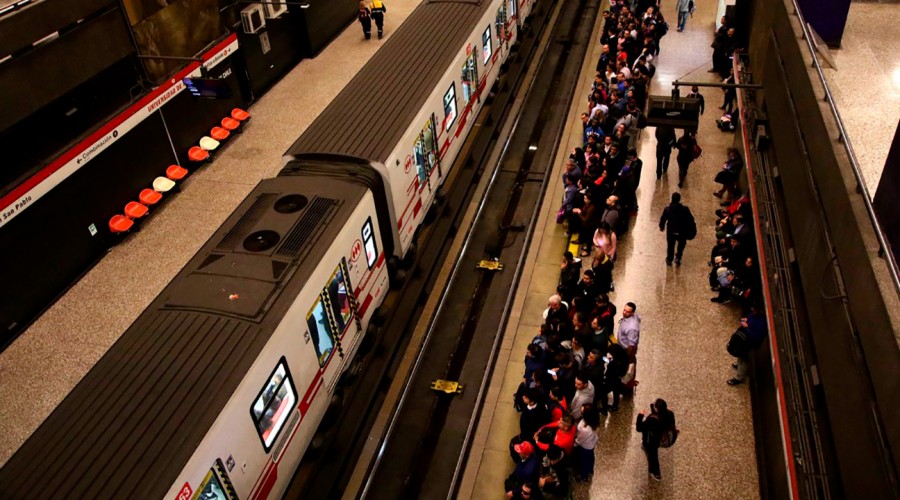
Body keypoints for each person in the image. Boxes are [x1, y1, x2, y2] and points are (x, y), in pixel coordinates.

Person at [635, 398, 676, 481]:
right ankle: (655, 472)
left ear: (656, 409)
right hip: (661, 437)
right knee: (653, 453)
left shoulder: (652, 420)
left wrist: (640, 416)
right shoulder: (670, 414)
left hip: (651, 441)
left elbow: (639, 428)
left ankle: (655, 473)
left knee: (653, 456)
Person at [728, 308, 768, 385]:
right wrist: (745, 320)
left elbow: (756, 336)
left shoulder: (762, 322)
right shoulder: (754, 314)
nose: (752, 310)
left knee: (744, 359)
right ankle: (739, 365)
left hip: (750, 343)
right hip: (745, 341)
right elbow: (749, 317)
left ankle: (739, 378)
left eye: (754, 309)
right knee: (740, 356)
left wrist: (746, 327)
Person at [658, 192, 694, 265]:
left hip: (671, 231)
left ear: (672, 199)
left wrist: (662, 226)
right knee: (681, 245)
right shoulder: (685, 209)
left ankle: (669, 259)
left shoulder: (667, 210)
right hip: (682, 231)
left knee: (670, 245)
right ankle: (678, 257)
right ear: (679, 200)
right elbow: (691, 219)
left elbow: (663, 219)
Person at [573, 404, 600, 483]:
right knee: (590, 457)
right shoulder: (594, 421)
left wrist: (575, 443)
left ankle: (584, 476)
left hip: (585, 446)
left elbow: (581, 439)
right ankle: (591, 470)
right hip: (591, 443)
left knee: (584, 461)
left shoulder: (585, 429)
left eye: (582, 410)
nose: (581, 410)